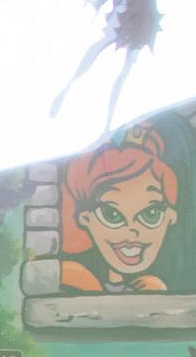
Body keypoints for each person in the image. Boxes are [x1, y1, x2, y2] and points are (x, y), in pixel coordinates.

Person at [58, 124, 181, 293]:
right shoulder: (72, 276)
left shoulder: (149, 286)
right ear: (86, 218)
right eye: (112, 214)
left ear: (170, 217)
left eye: (151, 214)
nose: (132, 231)